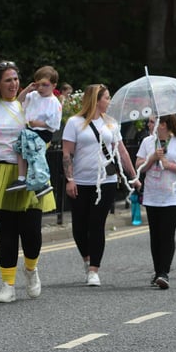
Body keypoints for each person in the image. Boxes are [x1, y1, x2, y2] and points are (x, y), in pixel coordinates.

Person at [0, 61, 57, 303]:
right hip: (0, 173)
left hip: (31, 174)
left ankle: (31, 269)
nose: (14, 84)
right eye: (8, 80)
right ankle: (8, 284)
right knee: (7, 232)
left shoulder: (27, 104)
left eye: (16, 79)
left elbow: (48, 128)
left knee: (31, 231)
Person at [62, 84, 140, 287]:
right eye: (107, 98)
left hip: (105, 181)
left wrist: (133, 176)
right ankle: (87, 260)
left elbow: (121, 152)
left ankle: (94, 269)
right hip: (80, 181)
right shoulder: (74, 123)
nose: (109, 101)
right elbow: (67, 153)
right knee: (80, 227)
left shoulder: (111, 123)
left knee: (96, 225)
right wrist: (69, 179)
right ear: (96, 100)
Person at [136, 115, 176, 289]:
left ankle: (164, 273)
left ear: (163, 124)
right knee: (155, 234)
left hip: (173, 194)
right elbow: (139, 165)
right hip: (152, 193)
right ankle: (158, 271)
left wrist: (170, 165)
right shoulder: (147, 142)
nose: (148, 124)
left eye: (152, 122)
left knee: (167, 234)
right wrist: (152, 158)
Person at [6, 65, 62, 197]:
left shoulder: (54, 102)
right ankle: (22, 178)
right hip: (29, 130)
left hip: (42, 132)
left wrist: (38, 123)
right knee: (19, 148)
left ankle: (41, 183)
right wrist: (27, 89)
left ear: (54, 86)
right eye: (38, 85)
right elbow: (18, 102)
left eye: (45, 85)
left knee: (35, 154)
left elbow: (54, 124)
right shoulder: (33, 95)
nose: (41, 88)